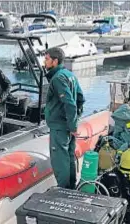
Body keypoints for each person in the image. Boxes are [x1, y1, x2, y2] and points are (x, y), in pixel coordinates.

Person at [43, 47, 85, 190]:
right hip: (67, 125)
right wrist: (74, 121)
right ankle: (71, 187)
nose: (44, 61)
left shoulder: (58, 78)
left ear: (55, 61)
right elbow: (80, 99)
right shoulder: (69, 74)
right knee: (69, 158)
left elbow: (70, 103)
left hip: (60, 127)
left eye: (47, 59)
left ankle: (63, 190)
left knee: (60, 160)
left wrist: (72, 126)